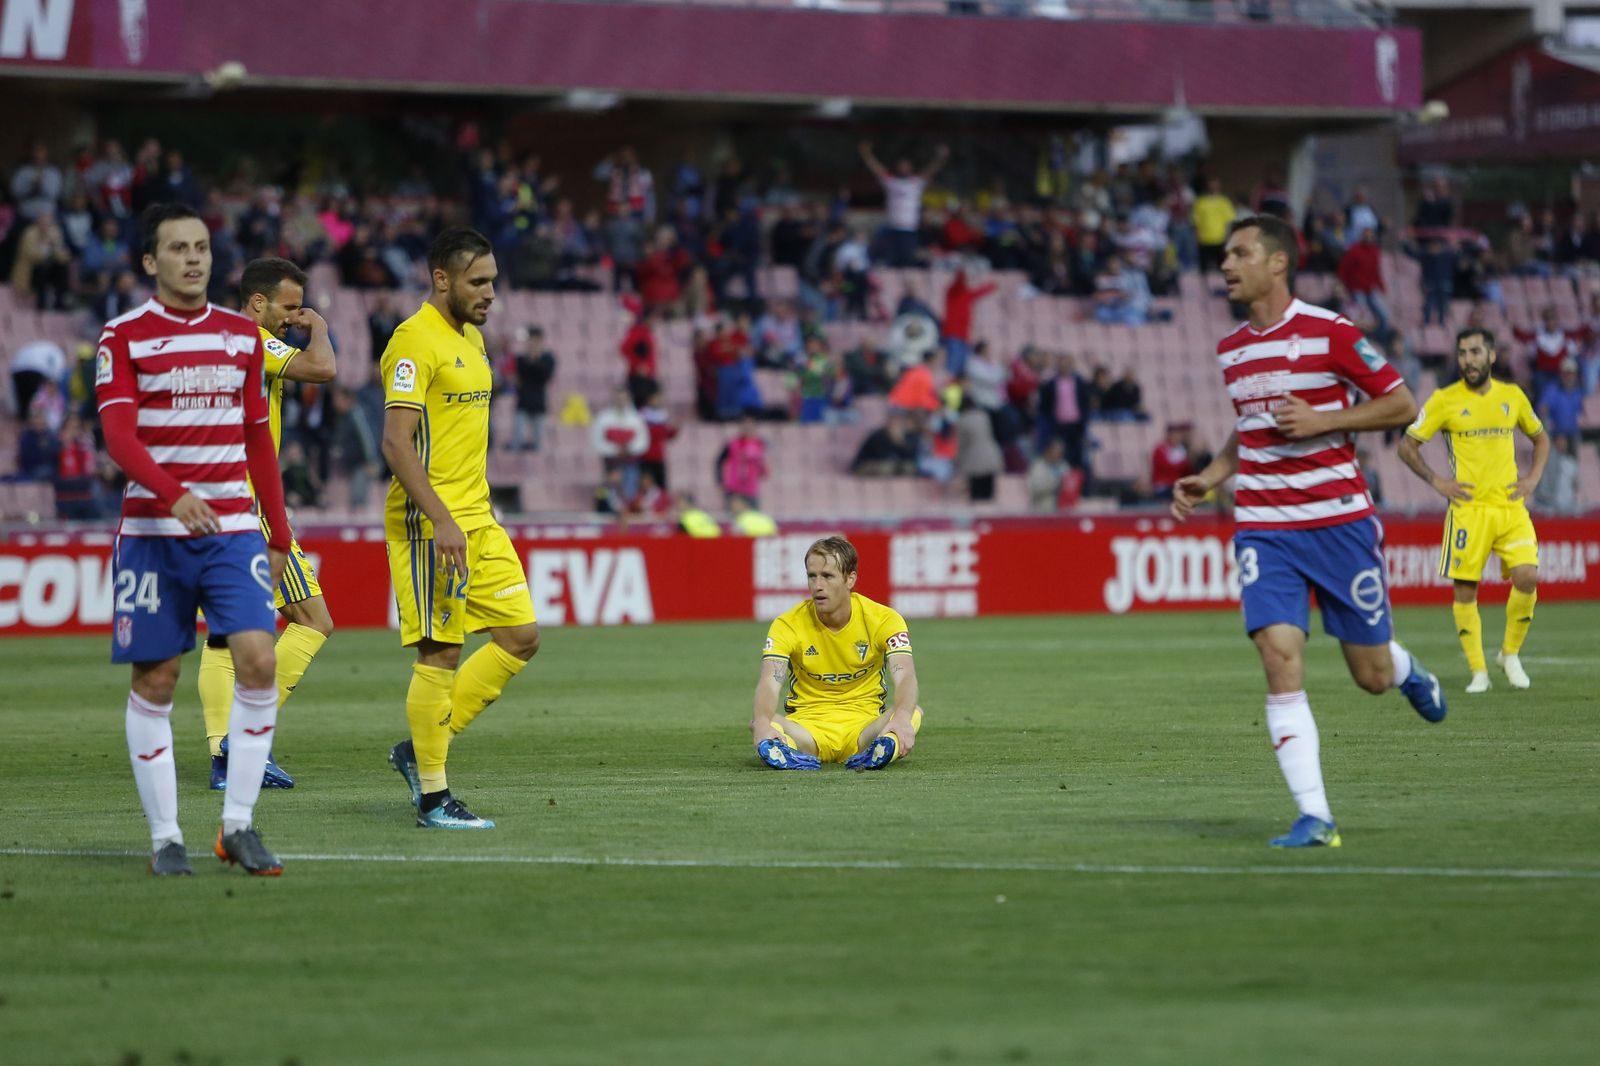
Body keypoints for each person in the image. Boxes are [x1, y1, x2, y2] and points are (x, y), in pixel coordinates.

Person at [1170, 214, 1447, 850]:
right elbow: (1250, 429)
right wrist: (1209, 477)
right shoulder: (1232, 349)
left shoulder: (1332, 332)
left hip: (1338, 522)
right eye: (1224, 256)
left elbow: (1403, 404)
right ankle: (1315, 817)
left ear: (1277, 263)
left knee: (1369, 674)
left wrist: (1326, 420)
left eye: (1240, 254)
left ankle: (1404, 669)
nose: (1226, 265)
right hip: (1265, 526)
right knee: (1278, 655)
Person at [95, 202, 294, 876]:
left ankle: (237, 826)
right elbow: (119, 437)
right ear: (151, 261)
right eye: (178, 248)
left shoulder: (242, 337)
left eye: (201, 247)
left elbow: (258, 439)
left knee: (259, 661)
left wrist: (279, 531)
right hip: (153, 534)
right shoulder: (123, 337)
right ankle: (166, 839)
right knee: (158, 678)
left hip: (231, 530)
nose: (193, 258)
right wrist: (173, 494)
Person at [380, 228, 542, 830]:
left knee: (520, 636)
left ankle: (420, 749)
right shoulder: (411, 341)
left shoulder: (472, 339)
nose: (490, 292)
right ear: (441, 279)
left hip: (478, 517)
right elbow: (396, 444)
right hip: (431, 523)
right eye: (478, 281)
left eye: (493, 281)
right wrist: (442, 519)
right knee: (441, 651)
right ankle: (433, 796)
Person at [191, 257, 338, 790]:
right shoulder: (252, 340)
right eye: (288, 307)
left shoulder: (215, 341)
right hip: (250, 509)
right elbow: (323, 369)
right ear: (257, 303)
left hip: (213, 506)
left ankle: (222, 758)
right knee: (313, 620)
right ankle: (245, 733)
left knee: (223, 636)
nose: (294, 317)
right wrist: (319, 328)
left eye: (300, 308)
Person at [1398, 329, 1549, 693]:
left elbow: (1541, 438)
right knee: (1465, 589)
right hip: (1468, 511)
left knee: (1527, 576)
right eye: (1463, 353)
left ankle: (1509, 654)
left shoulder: (1512, 396)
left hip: (1510, 507)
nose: (1469, 360)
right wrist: (1437, 481)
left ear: (1491, 355)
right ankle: (1478, 671)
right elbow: (1407, 447)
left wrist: (1532, 478)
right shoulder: (1444, 400)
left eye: (1476, 352)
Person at [750, 536, 922, 771]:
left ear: (850, 579)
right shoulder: (787, 625)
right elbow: (770, 682)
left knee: (912, 713)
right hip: (807, 732)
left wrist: (901, 718)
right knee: (762, 719)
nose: (818, 585)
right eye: (812, 576)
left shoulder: (884, 620)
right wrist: (762, 724)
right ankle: (879, 751)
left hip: (863, 731)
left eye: (827, 576)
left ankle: (878, 749)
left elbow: (905, 675)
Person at [858, 141, 948, 267]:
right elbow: (877, 169)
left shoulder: (916, 182)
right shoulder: (891, 181)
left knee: (907, 260)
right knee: (890, 261)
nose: (903, 168)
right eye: (901, 165)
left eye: (906, 165)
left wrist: (941, 158)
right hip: (892, 227)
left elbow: (931, 170)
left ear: (911, 167)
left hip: (909, 228)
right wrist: (866, 154)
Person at [508, 325, 556, 452]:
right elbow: (518, 377)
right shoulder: (520, 359)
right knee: (518, 439)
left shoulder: (548, 359)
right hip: (523, 402)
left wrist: (534, 359)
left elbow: (545, 375)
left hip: (539, 403)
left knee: (538, 442)